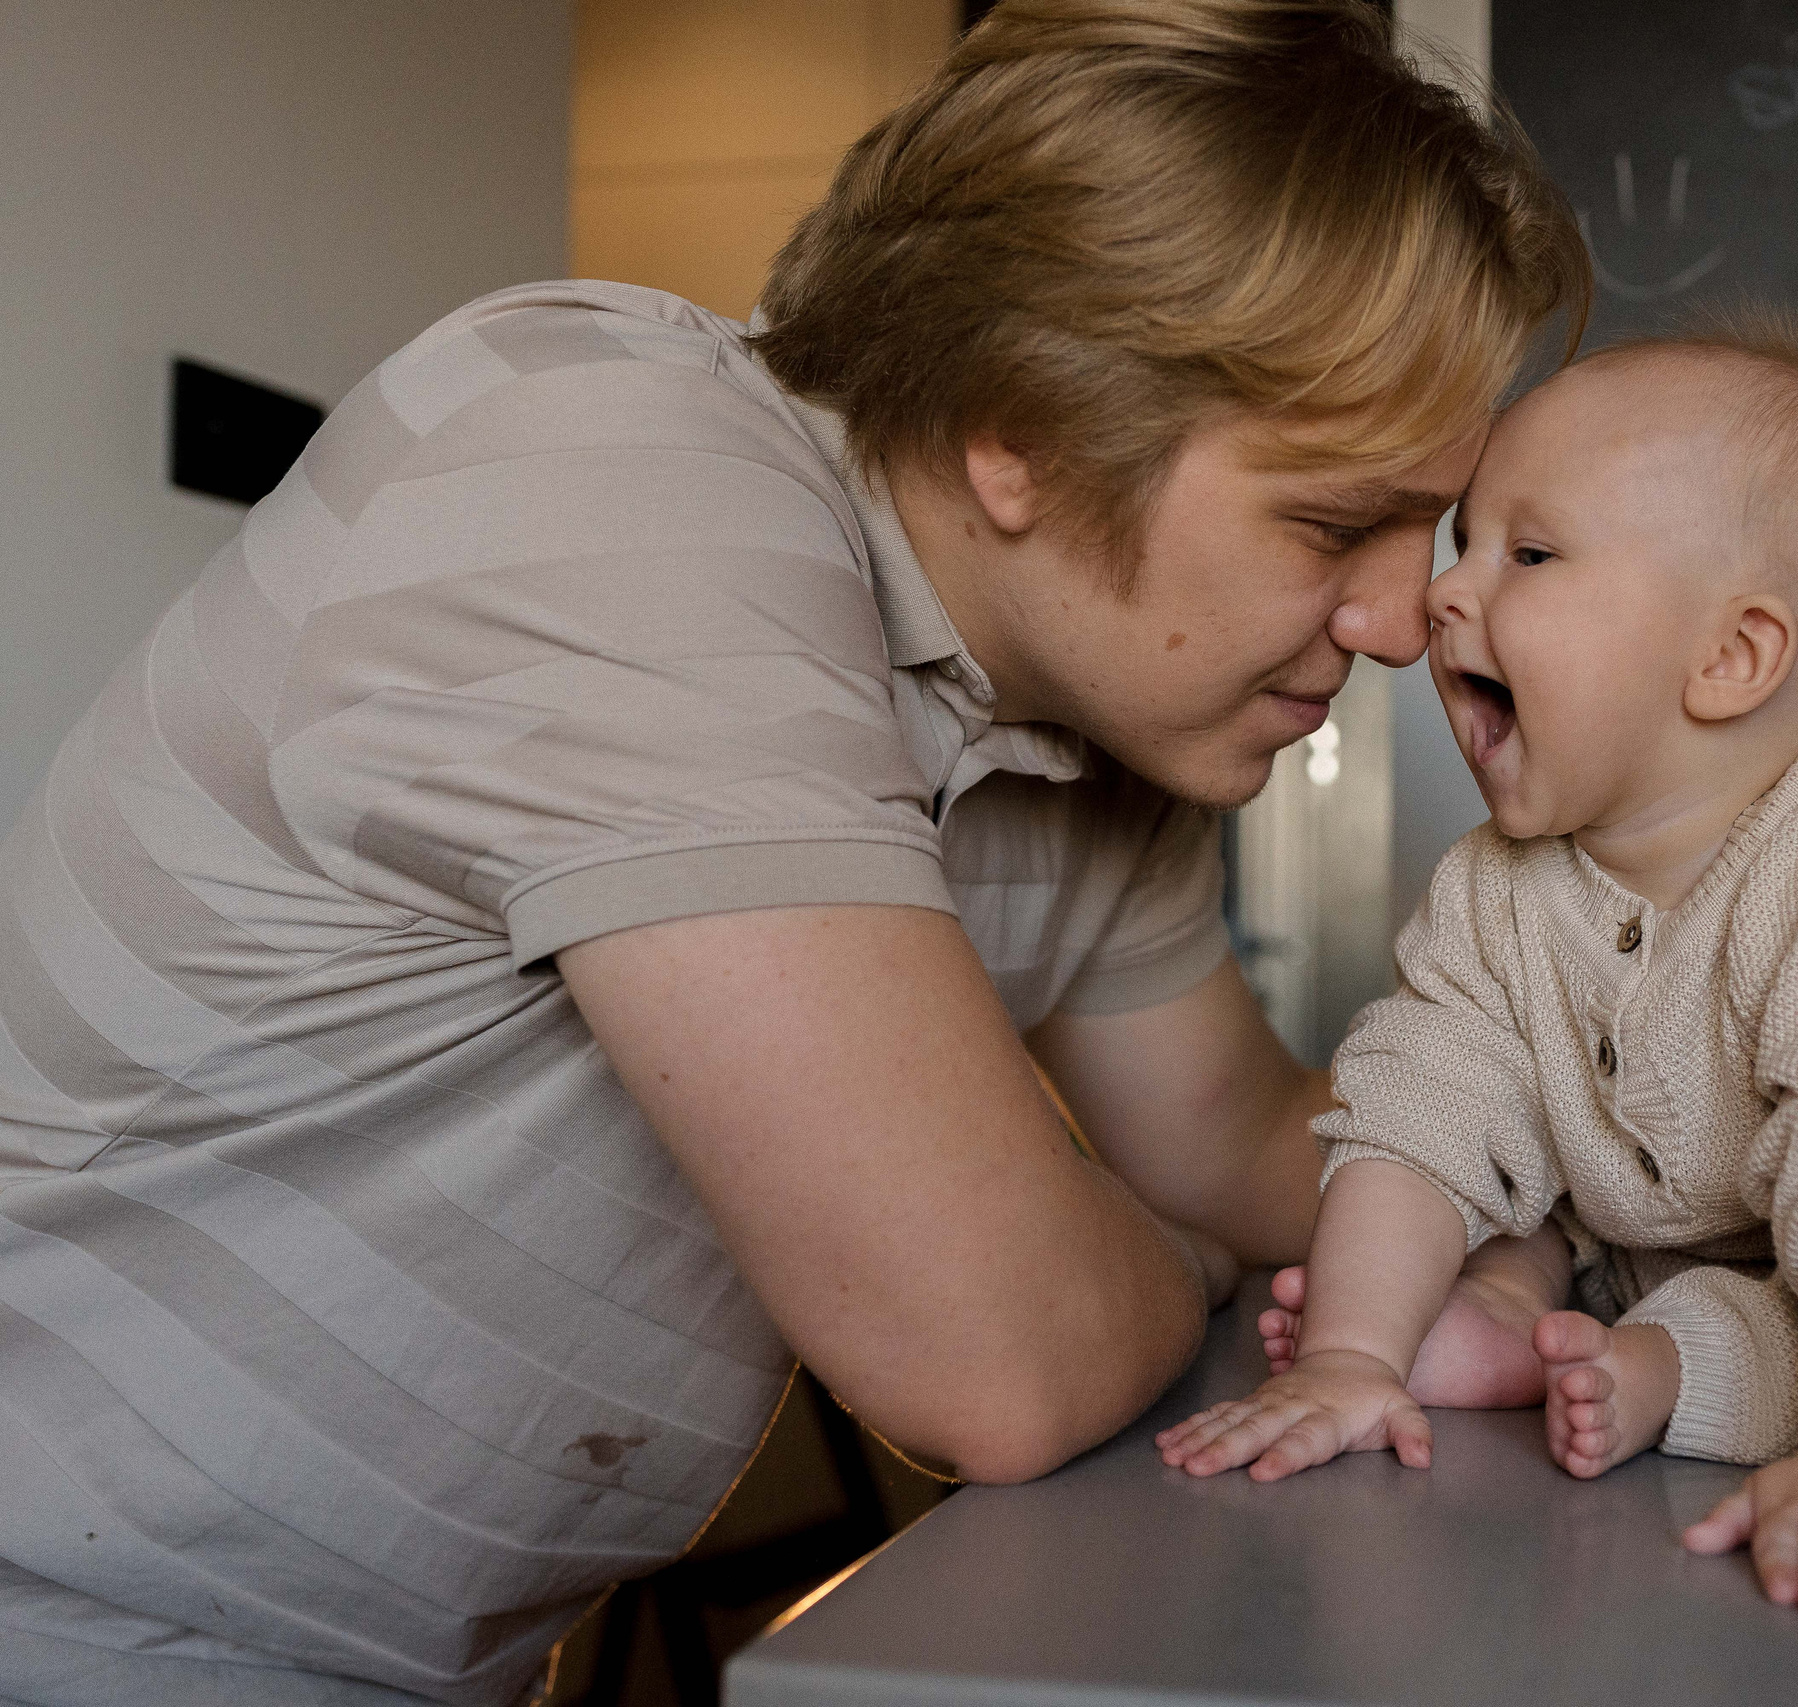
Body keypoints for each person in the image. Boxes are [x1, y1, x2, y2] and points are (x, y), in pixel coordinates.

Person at [0, 3, 1587, 1700]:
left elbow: (1252, 1141)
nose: (1401, 622)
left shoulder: (1089, 735)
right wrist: (1175, 1257)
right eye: (1334, 521)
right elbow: (992, 1355)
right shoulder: (612, 466)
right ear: (1018, 426)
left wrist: (1576, 1238)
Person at [1155, 311, 1798, 1621]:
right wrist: (1350, 1355)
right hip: (1662, 1234)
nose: (1443, 591)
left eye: (1528, 552)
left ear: (1730, 659)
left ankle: (1687, 1373)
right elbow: (1418, 1110)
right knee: (1525, 1199)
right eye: (1466, 543)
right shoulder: (1497, 882)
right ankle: (1500, 1322)